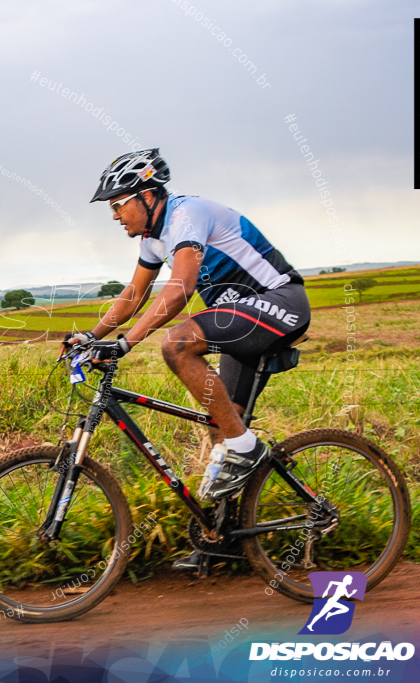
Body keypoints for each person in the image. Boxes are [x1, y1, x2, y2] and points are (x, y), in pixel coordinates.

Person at [65, 148, 310, 509]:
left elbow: (180, 287)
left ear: (146, 196)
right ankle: (224, 538)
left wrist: (127, 343)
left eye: (118, 204)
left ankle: (249, 450)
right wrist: (91, 336)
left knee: (177, 343)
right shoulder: (153, 237)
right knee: (222, 424)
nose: (115, 215)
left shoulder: (186, 214)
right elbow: (133, 295)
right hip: (240, 319)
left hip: (280, 303)